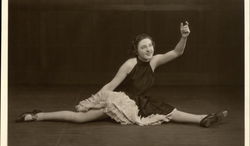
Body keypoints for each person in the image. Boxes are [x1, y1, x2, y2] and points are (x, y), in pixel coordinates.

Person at [16, 21, 228, 127]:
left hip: (140, 101)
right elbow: (111, 85)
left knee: (167, 109)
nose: (149, 50)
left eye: (150, 46)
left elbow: (176, 52)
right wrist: (90, 102)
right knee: (80, 119)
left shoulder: (154, 61)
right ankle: (38, 115)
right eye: (144, 47)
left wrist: (184, 36)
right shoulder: (130, 63)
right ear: (136, 49)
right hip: (120, 100)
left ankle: (203, 118)